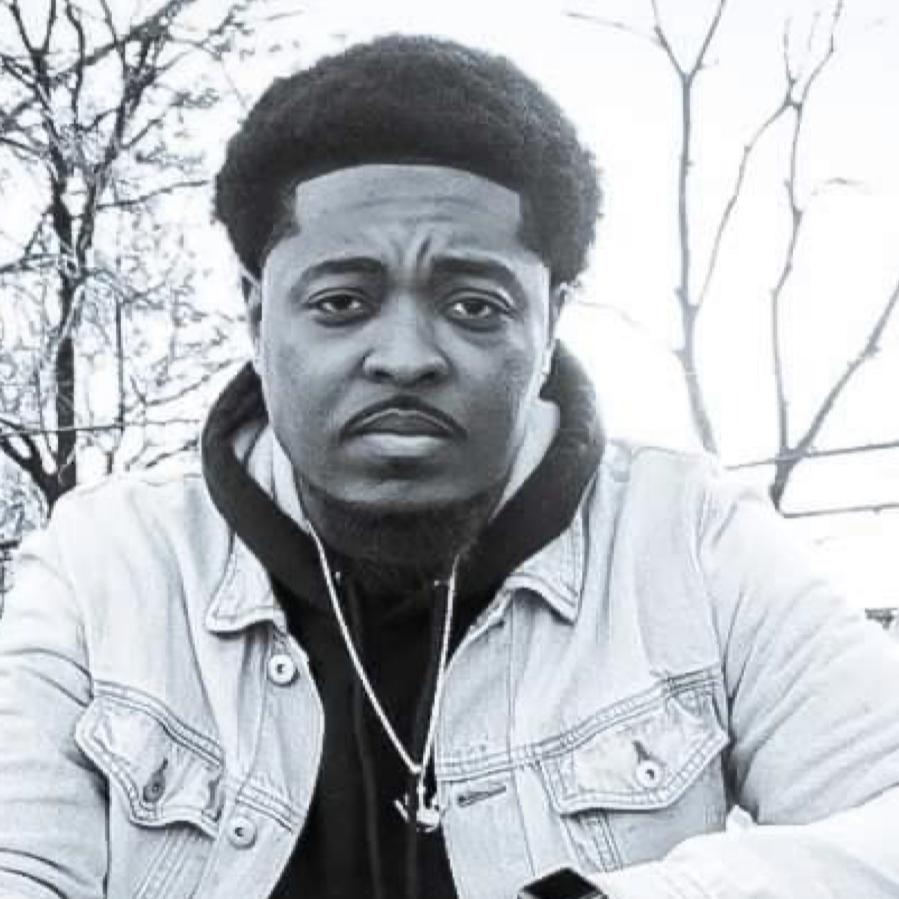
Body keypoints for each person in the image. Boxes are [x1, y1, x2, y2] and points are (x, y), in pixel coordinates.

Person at [1, 33, 899, 899]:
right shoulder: (107, 566)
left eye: (473, 307)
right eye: (341, 302)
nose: (404, 357)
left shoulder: (691, 542)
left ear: (549, 322)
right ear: (256, 313)